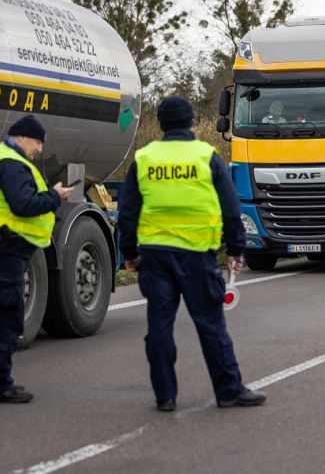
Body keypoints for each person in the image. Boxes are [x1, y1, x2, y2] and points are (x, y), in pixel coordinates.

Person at [118, 96, 266, 412]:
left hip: (155, 256)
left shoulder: (144, 158)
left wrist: (128, 253)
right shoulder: (206, 156)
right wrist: (236, 249)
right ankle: (228, 391)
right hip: (197, 255)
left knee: (159, 327)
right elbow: (230, 207)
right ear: (189, 123)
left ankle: (165, 396)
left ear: (161, 123)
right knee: (211, 326)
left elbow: (128, 211)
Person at [0, 114, 74, 403]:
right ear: (22, 137)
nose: (40, 149)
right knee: (8, 316)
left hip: (2, 244)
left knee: (0, 314)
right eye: (37, 142)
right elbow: (24, 205)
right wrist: (55, 196)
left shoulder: (5, 158)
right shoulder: (12, 163)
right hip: (5, 246)